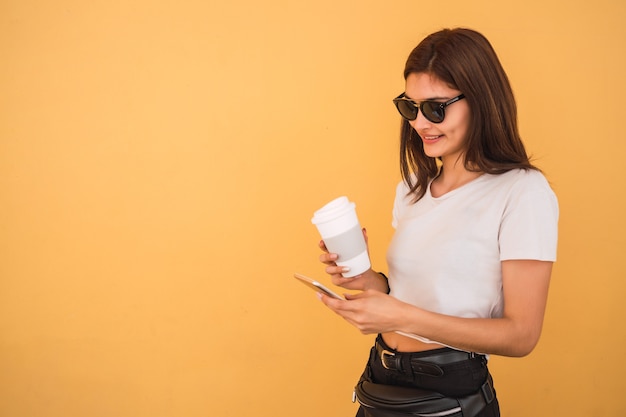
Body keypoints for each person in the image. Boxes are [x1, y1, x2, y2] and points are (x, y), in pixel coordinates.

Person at [316, 28, 558, 417]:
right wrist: (364, 280)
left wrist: (400, 316)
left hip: (450, 394)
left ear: (480, 100)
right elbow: (410, 291)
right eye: (411, 108)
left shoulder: (523, 192)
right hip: (382, 382)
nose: (421, 124)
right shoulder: (413, 187)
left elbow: (521, 334)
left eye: (436, 108)